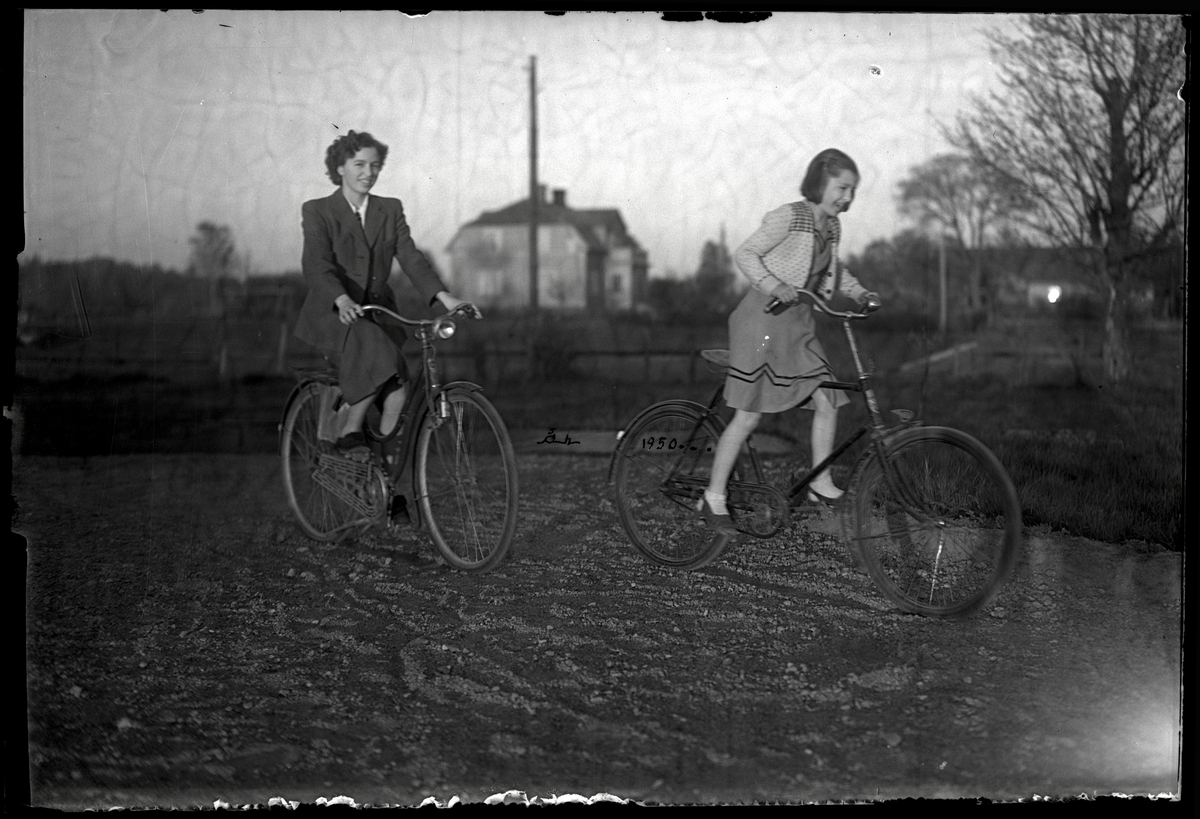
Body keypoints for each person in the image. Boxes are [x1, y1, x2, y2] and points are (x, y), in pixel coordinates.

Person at [700, 148, 880, 534]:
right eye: (842, 188)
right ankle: (713, 496)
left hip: (798, 325)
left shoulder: (832, 227)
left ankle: (820, 483)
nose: (848, 197)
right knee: (749, 415)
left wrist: (861, 293)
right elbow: (746, 254)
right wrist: (774, 285)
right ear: (820, 182)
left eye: (853, 190)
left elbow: (832, 271)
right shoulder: (789, 217)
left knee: (828, 399)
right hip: (762, 320)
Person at [293, 130, 474, 455]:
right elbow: (316, 264)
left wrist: (445, 297)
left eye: (375, 165)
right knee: (378, 352)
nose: (369, 173)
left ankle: (384, 475)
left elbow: (411, 258)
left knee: (398, 390)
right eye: (359, 164)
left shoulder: (389, 210)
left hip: (377, 314)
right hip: (334, 313)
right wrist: (341, 298)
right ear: (339, 168)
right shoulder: (318, 210)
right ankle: (349, 431)